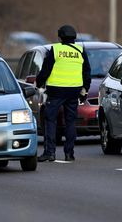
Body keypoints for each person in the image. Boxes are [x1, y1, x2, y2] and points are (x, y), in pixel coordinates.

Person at [36, 25, 91, 162]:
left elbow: (45, 70)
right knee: (70, 121)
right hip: (74, 91)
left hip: (56, 91)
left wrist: (38, 83)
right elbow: (87, 72)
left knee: (50, 120)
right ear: (74, 37)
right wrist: (85, 90)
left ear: (60, 37)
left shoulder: (55, 49)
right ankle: (69, 153)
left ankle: (50, 152)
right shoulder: (80, 50)